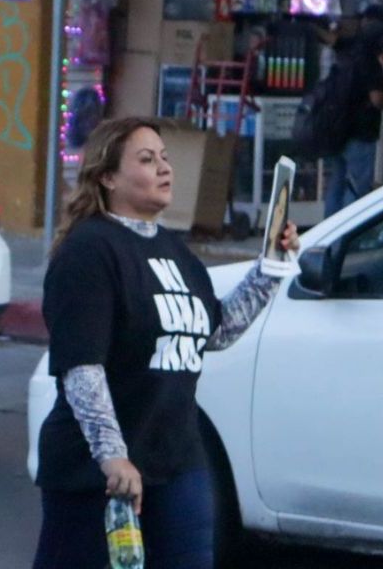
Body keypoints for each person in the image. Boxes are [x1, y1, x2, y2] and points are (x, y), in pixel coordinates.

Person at [32, 117, 299, 569]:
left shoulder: (173, 251)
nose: (164, 168)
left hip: (176, 458)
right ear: (108, 177)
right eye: (146, 159)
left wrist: (271, 265)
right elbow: (82, 368)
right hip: (94, 473)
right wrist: (113, 457)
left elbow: (217, 331)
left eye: (165, 158)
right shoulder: (89, 251)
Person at [324, 6, 383, 216]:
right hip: (361, 134)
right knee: (357, 189)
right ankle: (347, 239)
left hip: (337, 129)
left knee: (336, 185)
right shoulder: (371, 62)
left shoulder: (346, 52)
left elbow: (329, 39)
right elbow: (377, 98)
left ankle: (326, 240)